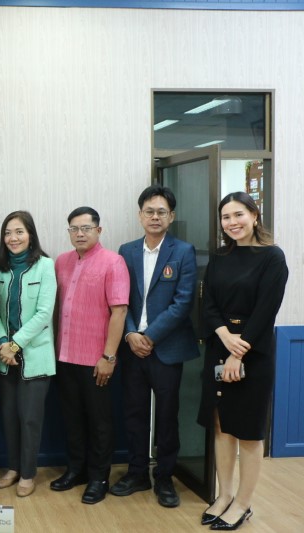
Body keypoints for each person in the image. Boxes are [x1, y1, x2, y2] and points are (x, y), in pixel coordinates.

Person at [197, 192, 287, 531]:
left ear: (254, 215)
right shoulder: (220, 257)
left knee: (248, 431)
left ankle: (243, 504)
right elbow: (208, 305)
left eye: (238, 215)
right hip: (221, 345)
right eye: (226, 217)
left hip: (254, 351)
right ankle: (224, 496)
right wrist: (224, 337)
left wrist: (238, 352)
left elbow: (266, 310)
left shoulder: (272, 257)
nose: (232, 222)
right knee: (221, 426)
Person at [111, 185, 199, 508]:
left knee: (166, 416)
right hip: (132, 348)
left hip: (166, 349)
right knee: (134, 413)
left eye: (162, 212)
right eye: (149, 211)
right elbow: (119, 299)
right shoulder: (126, 251)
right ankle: (137, 473)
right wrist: (131, 334)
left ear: (171, 216)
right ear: (140, 215)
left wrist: (150, 336)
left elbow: (183, 302)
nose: (155, 217)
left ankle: (164, 477)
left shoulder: (183, 251)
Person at [52, 206, 129, 505]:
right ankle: (77, 470)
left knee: (99, 422)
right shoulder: (62, 261)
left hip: (96, 359)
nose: (80, 233)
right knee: (71, 418)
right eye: (74, 228)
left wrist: (109, 357)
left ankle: (99, 478)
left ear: (99, 230)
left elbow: (119, 312)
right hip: (64, 355)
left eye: (86, 228)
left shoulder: (113, 262)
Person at [0, 211, 56, 498]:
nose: (13, 238)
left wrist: (14, 345)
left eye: (19, 232)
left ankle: (28, 473)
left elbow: (44, 313)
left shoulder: (45, 266)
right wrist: (3, 342)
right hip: (4, 356)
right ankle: (13, 468)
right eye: (8, 233)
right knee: (9, 416)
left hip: (35, 355)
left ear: (31, 235)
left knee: (29, 418)